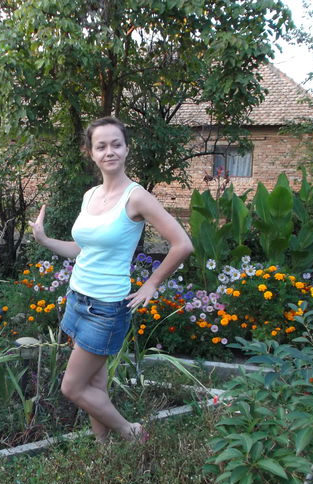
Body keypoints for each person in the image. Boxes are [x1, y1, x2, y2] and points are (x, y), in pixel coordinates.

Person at [29, 116, 193, 443]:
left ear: (126, 149)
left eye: (116, 144)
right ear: (91, 153)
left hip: (106, 308)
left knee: (72, 387)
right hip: (78, 299)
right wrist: (45, 240)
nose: (109, 152)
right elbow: (82, 249)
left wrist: (152, 283)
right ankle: (106, 455)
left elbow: (182, 244)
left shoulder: (136, 197)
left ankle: (131, 431)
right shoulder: (90, 196)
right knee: (95, 386)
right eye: (101, 146)